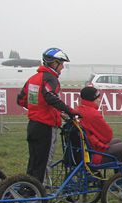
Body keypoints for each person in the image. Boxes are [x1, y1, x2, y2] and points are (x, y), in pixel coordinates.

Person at [17, 48, 80, 183]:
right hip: (46, 126)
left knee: (34, 161)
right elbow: (50, 96)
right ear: (54, 63)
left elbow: (21, 99)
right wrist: (70, 110)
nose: (62, 67)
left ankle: (28, 187)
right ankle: (39, 195)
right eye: (61, 63)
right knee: (44, 163)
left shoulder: (34, 78)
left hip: (33, 124)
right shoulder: (51, 79)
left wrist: (39, 108)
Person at [76, 86, 122, 184]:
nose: (99, 100)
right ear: (92, 99)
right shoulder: (93, 114)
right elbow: (108, 136)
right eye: (97, 98)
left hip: (85, 150)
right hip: (94, 155)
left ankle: (120, 176)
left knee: (118, 141)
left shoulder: (79, 110)